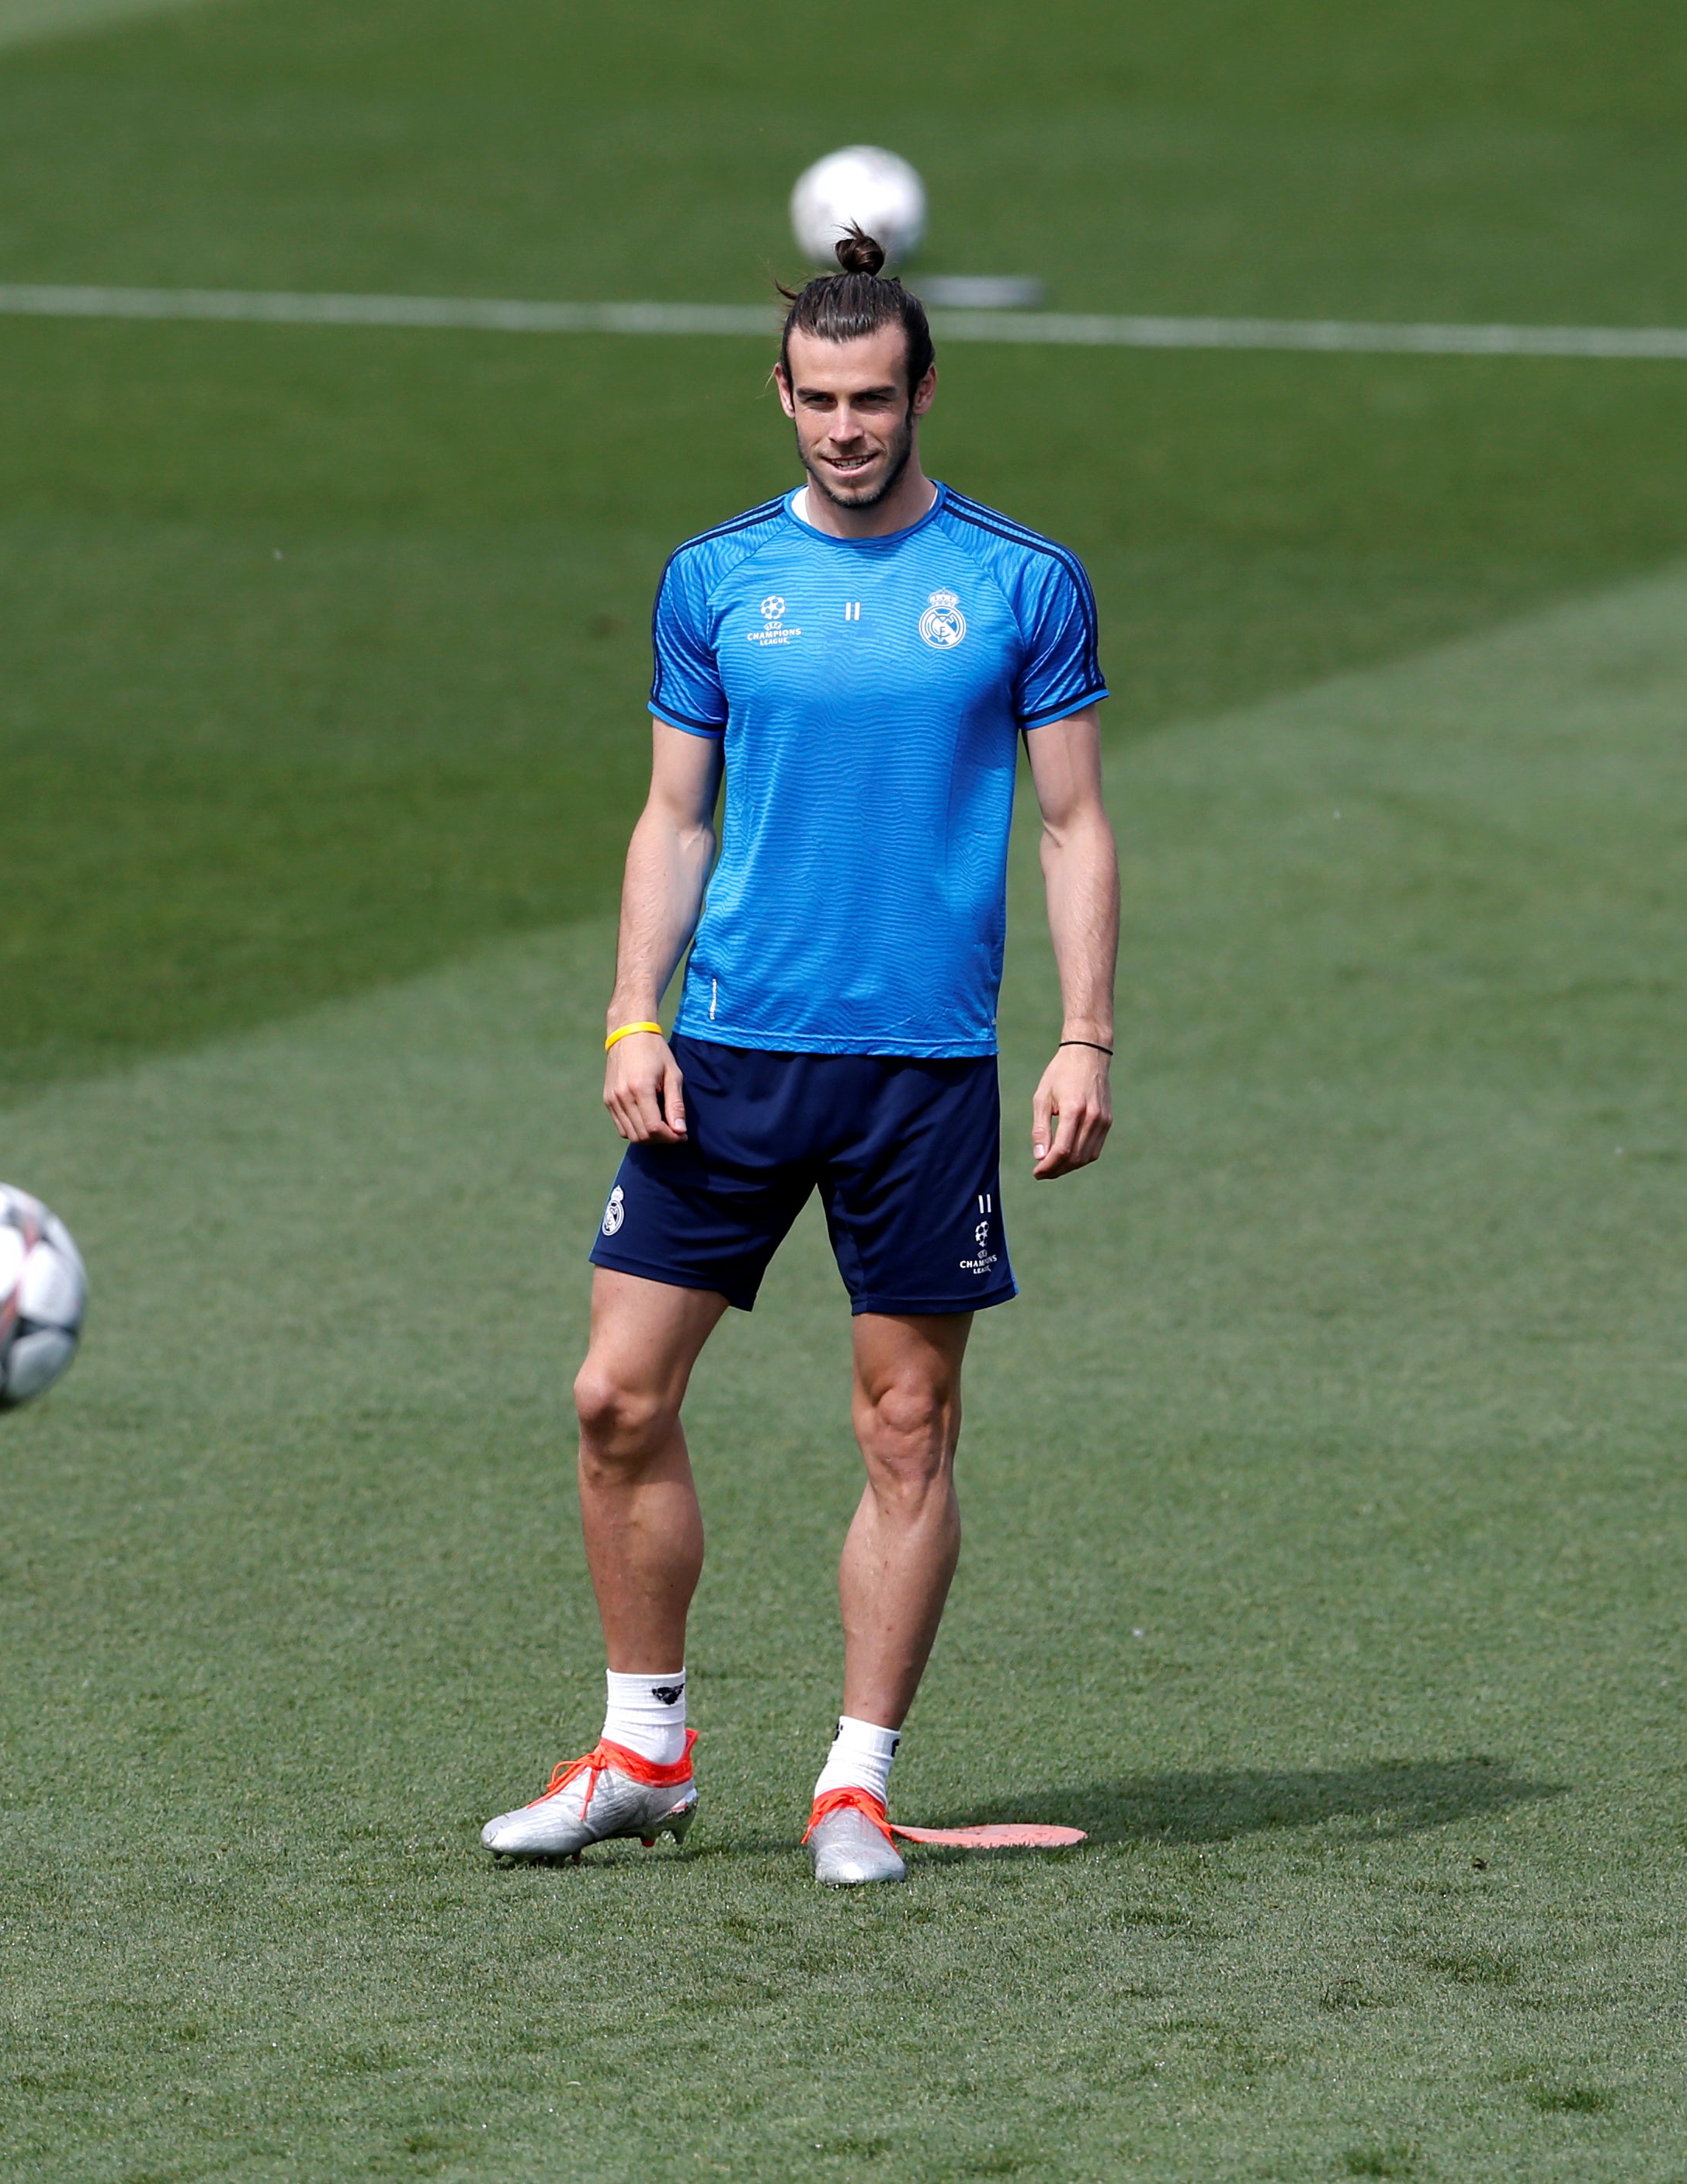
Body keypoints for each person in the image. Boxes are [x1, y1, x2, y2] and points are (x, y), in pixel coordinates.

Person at [481, 231, 1118, 1884]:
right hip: (728, 1054)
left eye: (875, 399)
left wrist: (1084, 1033)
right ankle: (643, 1751)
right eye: (821, 400)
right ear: (782, 393)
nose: (847, 427)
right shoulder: (714, 582)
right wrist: (634, 1009)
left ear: (920, 394)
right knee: (615, 1397)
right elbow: (673, 818)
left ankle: (855, 1781)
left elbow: (1072, 824)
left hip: (921, 1068)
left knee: (906, 1426)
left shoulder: (1020, 582)